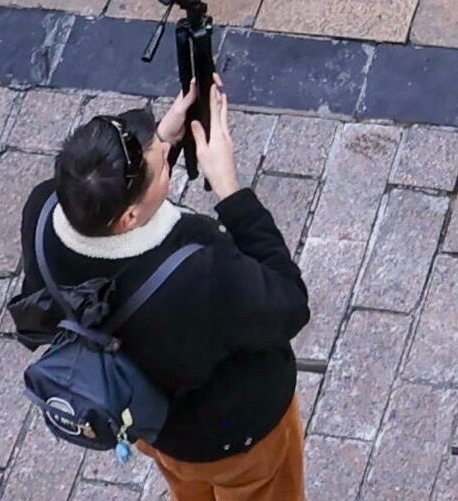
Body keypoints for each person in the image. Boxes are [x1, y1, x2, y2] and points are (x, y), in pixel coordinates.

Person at [18, 81, 311, 501]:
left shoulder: (44, 211)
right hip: (236, 438)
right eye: (163, 166)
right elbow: (289, 303)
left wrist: (159, 143)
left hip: (153, 425)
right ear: (130, 216)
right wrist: (232, 191)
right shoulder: (198, 269)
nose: (164, 157)